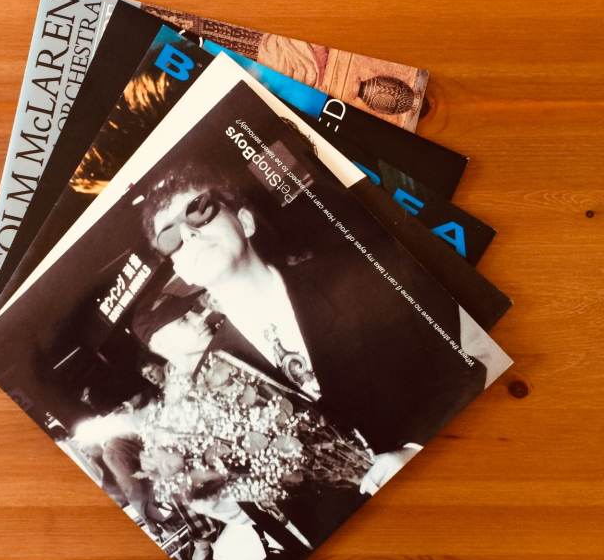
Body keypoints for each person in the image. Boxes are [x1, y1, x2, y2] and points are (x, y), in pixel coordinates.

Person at [140, 161, 491, 496]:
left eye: (200, 210)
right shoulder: (213, 384)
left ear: (245, 222)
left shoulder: (364, 272)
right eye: (171, 238)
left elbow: (459, 373)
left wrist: (417, 450)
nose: (189, 233)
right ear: (181, 272)